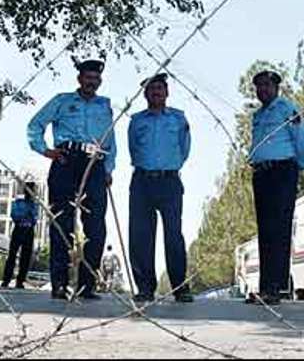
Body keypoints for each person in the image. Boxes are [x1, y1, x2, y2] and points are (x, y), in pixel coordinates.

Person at [27, 59, 116, 300]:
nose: (92, 82)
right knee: (61, 224)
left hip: (95, 165)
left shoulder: (105, 106)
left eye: (96, 79)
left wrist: (108, 169)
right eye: (88, 77)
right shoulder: (62, 101)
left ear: (100, 81)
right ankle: (59, 284)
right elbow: (35, 124)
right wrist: (45, 150)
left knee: (96, 227)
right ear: (80, 79)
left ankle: (87, 285)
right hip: (66, 161)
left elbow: (111, 141)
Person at [127, 73, 193, 303]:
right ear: (145, 94)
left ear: (167, 93)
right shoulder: (136, 121)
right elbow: (133, 148)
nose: (156, 92)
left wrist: (168, 166)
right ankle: (145, 286)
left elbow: (184, 149)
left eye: (160, 88)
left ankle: (180, 287)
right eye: (151, 89)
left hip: (170, 181)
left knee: (173, 235)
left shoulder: (178, 119)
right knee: (141, 235)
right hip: (142, 181)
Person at [249, 70, 304, 305]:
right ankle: (265, 287)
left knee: (279, 229)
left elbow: (303, 142)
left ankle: (277, 287)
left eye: (267, 85)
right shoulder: (258, 115)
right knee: (264, 231)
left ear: (276, 87)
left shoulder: (287, 109)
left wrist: (297, 167)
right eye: (259, 86)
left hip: (282, 172)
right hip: (261, 173)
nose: (262, 90)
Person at [1, 181, 39, 289]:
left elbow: (34, 218)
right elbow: (14, 215)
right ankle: (6, 279)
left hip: (29, 230)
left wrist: (29, 214)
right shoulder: (18, 202)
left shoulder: (35, 204)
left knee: (26, 257)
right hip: (19, 229)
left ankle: (20, 281)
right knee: (12, 255)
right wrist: (24, 215)